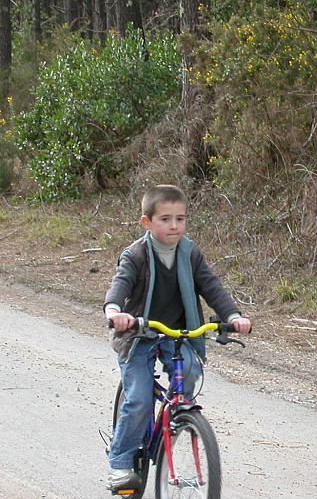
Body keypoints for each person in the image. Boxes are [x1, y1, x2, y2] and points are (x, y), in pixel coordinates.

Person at [104, 184, 252, 491]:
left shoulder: (190, 253)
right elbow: (120, 285)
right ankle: (120, 461)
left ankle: (177, 418)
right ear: (147, 222)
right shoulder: (136, 255)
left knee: (191, 370)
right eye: (165, 219)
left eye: (180, 219)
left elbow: (212, 287)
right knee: (140, 400)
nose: (174, 226)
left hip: (178, 333)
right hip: (139, 334)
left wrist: (233, 316)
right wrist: (115, 310)